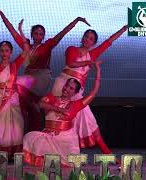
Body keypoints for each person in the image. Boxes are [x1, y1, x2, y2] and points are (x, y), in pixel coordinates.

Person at [0, 11, 90, 131]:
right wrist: (2, 16)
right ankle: (30, 126)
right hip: (29, 77)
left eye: (41, 34)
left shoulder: (47, 45)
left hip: (42, 77)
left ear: (43, 36)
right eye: (36, 33)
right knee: (22, 103)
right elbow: (13, 31)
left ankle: (34, 106)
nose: (38, 36)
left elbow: (62, 33)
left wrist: (76, 20)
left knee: (18, 83)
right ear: (32, 35)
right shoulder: (27, 46)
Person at [52, 26, 128, 154]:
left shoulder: (92, 55)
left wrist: (124, 29)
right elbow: (71, 63)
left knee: (88, 120)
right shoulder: (72, 49)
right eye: (86, 36)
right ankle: (52, 152)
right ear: (83, 38)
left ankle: (106, 153)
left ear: (94, 43)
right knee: (57, 119)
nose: (88, 39)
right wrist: (90, 63)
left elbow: (109, 42)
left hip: (76, 91)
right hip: (63, 86)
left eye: (91, 39)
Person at [23, 60, 103, 167]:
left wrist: (97, 69)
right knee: (30, 137)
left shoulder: (76, 104)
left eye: (71, 88)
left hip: (66, 140)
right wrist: (58, 109)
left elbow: (93, 93)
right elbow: (40, 104)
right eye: (66, 85)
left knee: (71, 165)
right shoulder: (52, 98)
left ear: (75, 93)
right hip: (49, 137)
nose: (66, 89)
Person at [0, 19, 30, 158]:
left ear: (11, 52)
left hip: (12, 97)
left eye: (7, 50)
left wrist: (20, 30)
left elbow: (26, 49)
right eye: (2, 51)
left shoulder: (15, 65)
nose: (4, 53)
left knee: (14, 124)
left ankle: (12, 154)